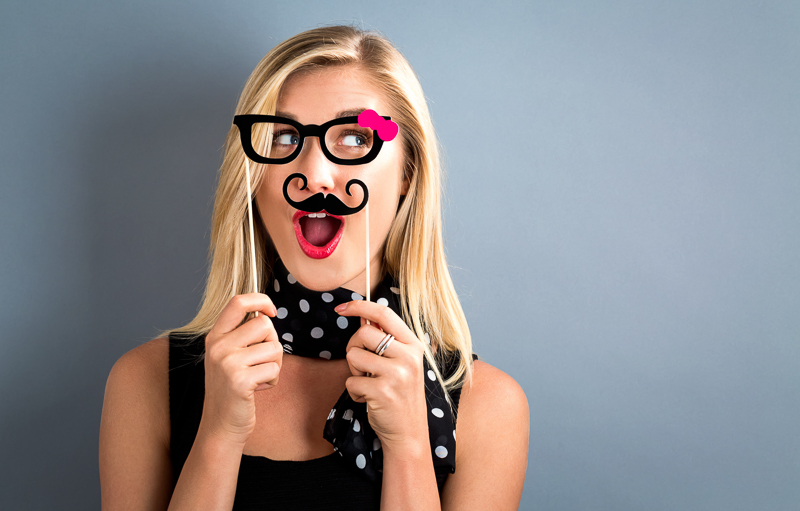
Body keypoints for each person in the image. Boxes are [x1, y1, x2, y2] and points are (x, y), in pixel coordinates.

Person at [99, 24, 529, 510]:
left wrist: (409, 448)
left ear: (408, 171)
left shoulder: (486, 408)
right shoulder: (146, 385)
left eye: (353, 138)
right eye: (284, 137)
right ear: (253, 175)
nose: (314, 174)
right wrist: (218, 436)